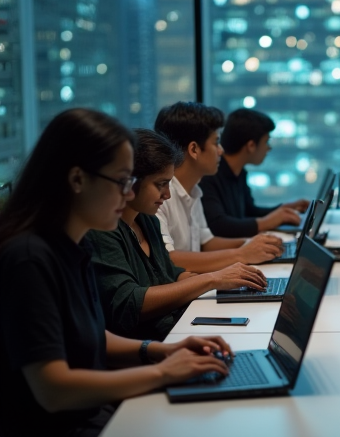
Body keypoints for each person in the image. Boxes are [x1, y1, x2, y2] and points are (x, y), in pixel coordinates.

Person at [0, 108, 236, 437]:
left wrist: (160, 351)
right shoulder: (29, 259)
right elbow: (53, 390)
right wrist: (163, 373)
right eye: (123, 181)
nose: (128, 194)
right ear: (78, 179)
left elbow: (90, 335)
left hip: (96, 411)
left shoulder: (72, 246)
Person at [88, 129, 267, 341]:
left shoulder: (147, 220)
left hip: (174, 328)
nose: (167, 194)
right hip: (153, 342)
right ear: (131, 181)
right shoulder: (103, 231)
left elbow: (171, 273)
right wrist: (212, 279)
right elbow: (128, 303)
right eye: (160, 184)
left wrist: (226, 282)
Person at [154, 101, 283, 273]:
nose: (221, 150)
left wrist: (252, 243)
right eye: (216, 143)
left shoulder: (194, 189)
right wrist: (241, 254)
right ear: (194, 149)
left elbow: (206, 242)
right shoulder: (159, 196)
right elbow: (169, 258)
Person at [200, 108, 310, 238]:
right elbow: (219, 225)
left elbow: (249, 211)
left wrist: (283, 209)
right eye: (266, 142)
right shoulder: (209, 175)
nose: (269, 148)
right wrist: (266, 223)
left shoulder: (239, 172)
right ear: (251, 145)